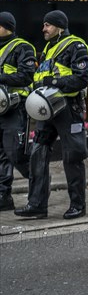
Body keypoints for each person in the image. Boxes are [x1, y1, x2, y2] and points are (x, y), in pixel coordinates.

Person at [14, 10, 88, 220]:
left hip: (68, 109)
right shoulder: (47, 48)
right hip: (46, 109)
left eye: (47, 25)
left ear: (59, 26)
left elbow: (82, 79)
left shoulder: (76, 45)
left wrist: (54, 83)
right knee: (37, 153)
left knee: (72, 156)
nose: (43, 29)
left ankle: (78, 205)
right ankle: (37, 205)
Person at [0, 12, 36, 211]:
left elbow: (26, 77)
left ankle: (39, 189)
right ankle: (3, 196)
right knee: (1, 155)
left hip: (15, 108)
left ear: (7, 26)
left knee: (16, 153)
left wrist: (2, 78)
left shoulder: (22, 47)